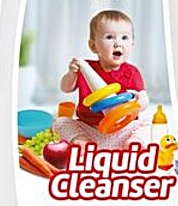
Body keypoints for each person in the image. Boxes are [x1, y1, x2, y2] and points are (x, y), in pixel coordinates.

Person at [52, 10, 150, 149]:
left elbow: (143, 99)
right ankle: (82, 141)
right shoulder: (85, 68)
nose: (118, 43)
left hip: (123, 129)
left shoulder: (132, 72)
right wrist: (71, 74)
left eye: (124, 37)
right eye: (110, 37)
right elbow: (65, 88)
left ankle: (134, 142)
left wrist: (140, 102)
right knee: (60, 122)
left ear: (132, 43)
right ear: (94, 46)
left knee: (147, 123)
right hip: (91, 129)